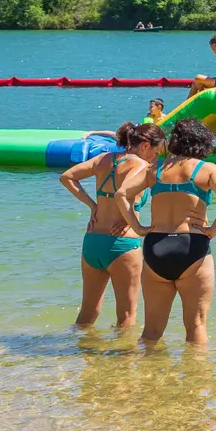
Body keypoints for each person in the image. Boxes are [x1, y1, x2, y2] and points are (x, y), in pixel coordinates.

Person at [117, 118, 216, 344]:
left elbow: (121, 194)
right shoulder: (208, 169)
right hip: (192, 246)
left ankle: (145, 376)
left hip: (156, 247)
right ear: (203, 142)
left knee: (151, 330)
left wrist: (137, 227)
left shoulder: (155, 169)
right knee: (196, 325)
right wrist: (214, 229)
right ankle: (195, 377)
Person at [59, 122, 164, 328]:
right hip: (122, 245)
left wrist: (93, 206)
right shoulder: (141, 166)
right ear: (145, 146)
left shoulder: (104, 159)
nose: (156, 157)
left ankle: (78, 353)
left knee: (88, 312)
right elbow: (122, 194)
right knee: (126, 316)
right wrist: (134, 223)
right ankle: (122, 360)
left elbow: (67, 177)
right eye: (156, 151)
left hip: (93, 241)